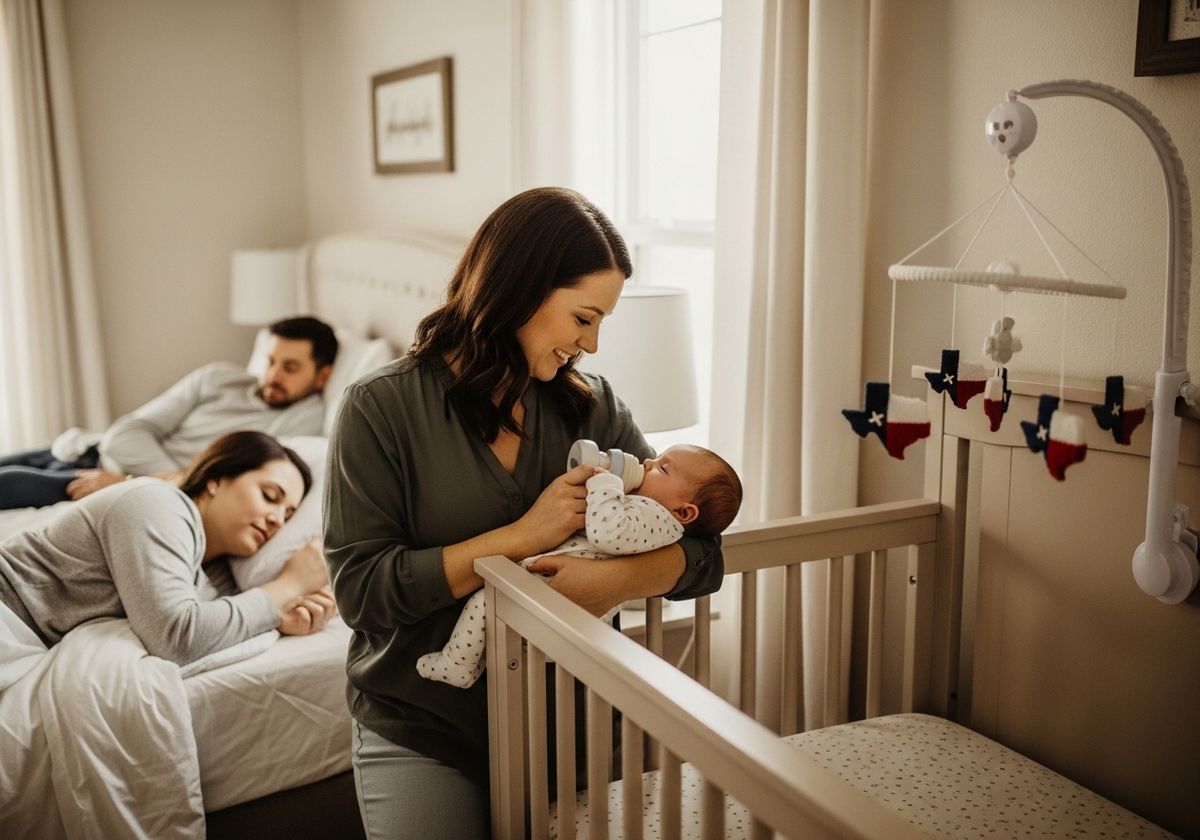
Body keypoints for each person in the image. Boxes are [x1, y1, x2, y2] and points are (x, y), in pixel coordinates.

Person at [324, 186, 726, 840]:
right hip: (427, 726)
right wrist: (519, 538)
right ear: (521, 290)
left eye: (601, 324)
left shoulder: (593, 409)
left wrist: (611, 582)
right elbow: (361, 593)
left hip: (572, 727)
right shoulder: (381, 409)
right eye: (583, 317)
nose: (591, 344)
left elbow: (704, 549)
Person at [0, 431, 335, 667]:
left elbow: (213, 625)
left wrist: (282, 617)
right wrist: (288, 586)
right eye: (269, 496)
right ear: (216, 479)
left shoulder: (214, 573)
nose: (277, 519)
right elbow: (176, 637)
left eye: (288, 514)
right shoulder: (158, 502)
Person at [418, 444, 742, 688]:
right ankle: (468, 662)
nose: (646, 462)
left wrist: (607, 483)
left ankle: (457, 665)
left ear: (684, 513)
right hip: (550, 585)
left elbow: (608, 534)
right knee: (490, 614)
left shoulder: (657, 517)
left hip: (562, 594)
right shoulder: (649, 507)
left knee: (481, 604)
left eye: (662, 468)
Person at [0, 316, 338, 510]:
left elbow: (219, 489)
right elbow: (127, 432)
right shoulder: (217, 378)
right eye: (271, 361)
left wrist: (134, 485)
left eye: (290, 367)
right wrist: (161, 477)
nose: (273, 376)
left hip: (105, 483)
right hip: (92, 450)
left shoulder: (301, 428)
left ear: (322, 376)